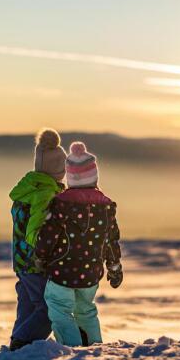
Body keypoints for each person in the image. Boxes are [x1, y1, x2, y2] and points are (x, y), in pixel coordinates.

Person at [35, 141, 123, 346]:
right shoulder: (106, 206)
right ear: (94, 176)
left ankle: (71, 348)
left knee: (60, 310)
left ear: (70, 177)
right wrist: (114, 266)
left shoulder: (61, 204)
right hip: (90, 272)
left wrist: (40, 257)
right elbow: (111, 240)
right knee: (86, 310)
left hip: (61, 271)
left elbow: (49, 235)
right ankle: (93, 346)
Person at [9, 128, 66, 351]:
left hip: (21, 260)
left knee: (27, 304)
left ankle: (19, 340)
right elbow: (36, 229)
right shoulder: (45, 192)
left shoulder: (29, 188)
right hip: (34, 261)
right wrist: (41, 255)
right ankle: (23, 341)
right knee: (50, 307)